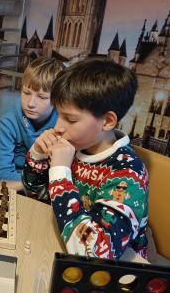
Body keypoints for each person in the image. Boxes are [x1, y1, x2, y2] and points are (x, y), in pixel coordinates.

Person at [22, 57, 149, 260]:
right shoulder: (76, 146)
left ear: (107, 121)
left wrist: (60, 174)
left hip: (113, 269)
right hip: (62, 243)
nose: (58, 127)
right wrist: (38, 154)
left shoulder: (128, 173)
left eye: (70, 119)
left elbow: (96, 252)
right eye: (59, 115)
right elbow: (37, 196)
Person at [0, 57, 61, 198]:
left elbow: (62, 175)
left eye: (41, 97)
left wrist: (35, 184)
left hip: (42, 185)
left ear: (57, 99)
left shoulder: (63, 124)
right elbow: (2, 176)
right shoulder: (8, 121)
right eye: (26, 93)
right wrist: (37, 184)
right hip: (20, 180)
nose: (30, 103)